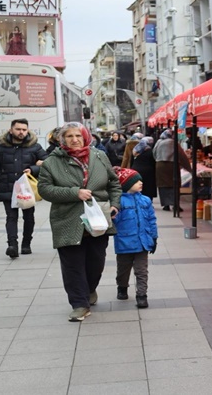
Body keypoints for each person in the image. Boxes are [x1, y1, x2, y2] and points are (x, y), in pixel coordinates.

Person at [38, 122, 122, 322]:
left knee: (96, 263)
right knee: (72, 266)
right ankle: (79, 304)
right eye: (69, 136)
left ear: (85, 137)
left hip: (98, 219)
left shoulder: (99, 156)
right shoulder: (52, 162)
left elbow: (114, 183)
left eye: (78, 135)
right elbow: (44, 189)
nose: (74, 139)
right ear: (62, 139)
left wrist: (115, 204)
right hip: (67, 219)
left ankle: (89, 288)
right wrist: (74, 193)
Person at [0, 118, 48, 258]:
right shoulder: (0, 147)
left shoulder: (34, 146)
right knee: (11, 217)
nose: (21, 132)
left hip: (27, 188)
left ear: (28, 130)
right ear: (11, 130)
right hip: (7, 186)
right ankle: (12, 245)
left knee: (29, 217)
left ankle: (26, 244)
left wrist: (33, 169)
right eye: (18, 129)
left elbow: (48, 162)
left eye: (24, 130)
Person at [112, 167, 158, 308]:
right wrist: (112, 215)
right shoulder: (119, 202)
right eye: (136, 181)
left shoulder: (145, 200)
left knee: (141, 271)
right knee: (123, 270)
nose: (140, 183)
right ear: (126, 184)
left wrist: (154, 237)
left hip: (143, 243)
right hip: (124, 243)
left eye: (140, 180)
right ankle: (122, 287)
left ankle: (142, 295)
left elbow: (151, 219)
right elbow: (115, 221)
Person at [153, 129, 192, 211]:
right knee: (174, 184)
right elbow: (182, 156)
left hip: (160, 166)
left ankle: (166, 205)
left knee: (163, 186)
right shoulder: (173, 143)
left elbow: (154, 153)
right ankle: (175, 205)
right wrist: (189, 168)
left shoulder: (158, 142)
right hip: (172, 165)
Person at [131, 137, 157, 201]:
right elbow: (153, 162)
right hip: (148, 171)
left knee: (138, 186)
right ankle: (147, 201)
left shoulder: (136, 150)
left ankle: (138, 200)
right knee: (148, 188)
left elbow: (131, 161)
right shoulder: (149, 151)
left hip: (136, 170)